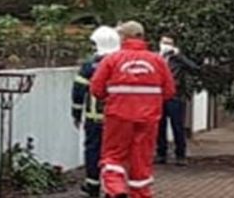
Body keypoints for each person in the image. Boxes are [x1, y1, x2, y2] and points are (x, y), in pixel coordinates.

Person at [90, 21, 176, 198]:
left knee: (114, 155)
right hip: (148, 119)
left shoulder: (112, 60)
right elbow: (169, 91)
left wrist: (112, 98)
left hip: (118, 116)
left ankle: (116, 189)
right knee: (141, 159)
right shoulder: (158, 61)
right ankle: (141, 193)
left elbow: (96, 89)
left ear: (123, 37)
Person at [71, 26, 121, 197]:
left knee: (93, 151)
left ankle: (93, 185)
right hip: (118, 119)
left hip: (95, 119)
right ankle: (113, 188)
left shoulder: (89, 65)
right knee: (116, 154)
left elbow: (78, 91)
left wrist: (76, 113)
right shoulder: (122, 62)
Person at [156, 35, 200, 166]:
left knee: (177, 126)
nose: (165, 45)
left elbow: (194, 68)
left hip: (175, 96)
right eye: (163, 42)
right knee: (160, 126)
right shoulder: (157, 57)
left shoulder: (177, 59)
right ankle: (161, 153)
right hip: (159, 96)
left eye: (168, 43)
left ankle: (180, 154)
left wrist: (179, 55)